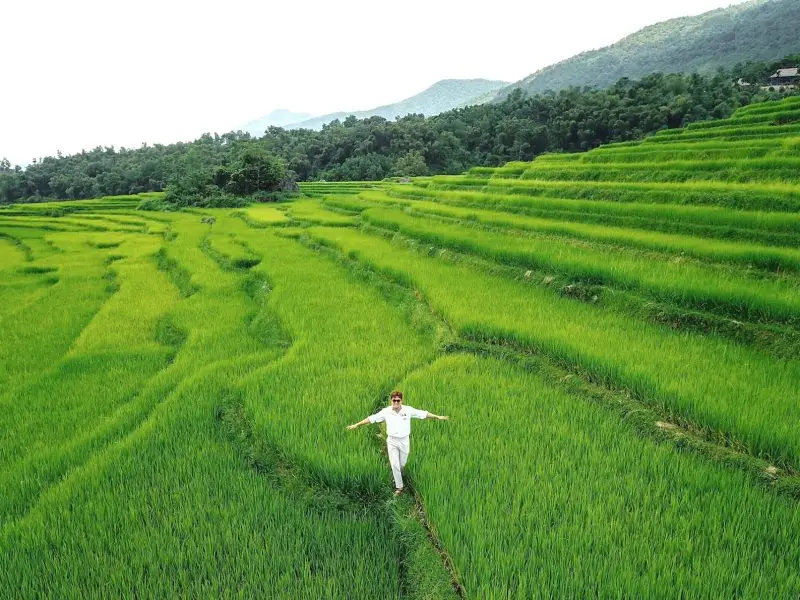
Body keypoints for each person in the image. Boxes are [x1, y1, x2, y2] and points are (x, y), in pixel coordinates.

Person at [346, 390, 448, 496]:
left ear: (401, 401)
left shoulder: (408, 410)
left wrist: (437, 417)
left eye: (398, 400)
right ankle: (399, 487)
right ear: (391, 400)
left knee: (401, 464)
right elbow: (372, 418)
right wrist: (357, 424)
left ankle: (398, 475)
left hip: (404, 441)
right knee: (395, 464)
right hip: (392, 441)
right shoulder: (386, 411)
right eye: (393, 400)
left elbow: (423, 413)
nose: (395, 403)